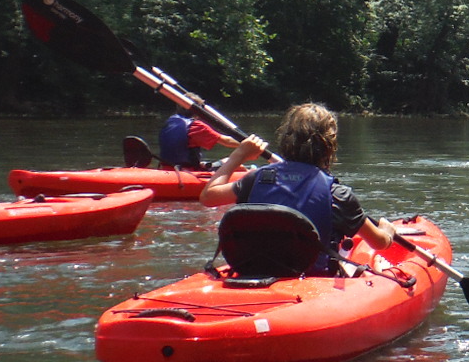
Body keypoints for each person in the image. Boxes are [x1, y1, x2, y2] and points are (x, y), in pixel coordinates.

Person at [199, 102, 393, 275]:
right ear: (329, 146)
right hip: (310, 278)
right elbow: (379, 243)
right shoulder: (337, 194)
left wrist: (239, 155)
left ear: (285, 138)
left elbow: (208, 197)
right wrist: (387, 231)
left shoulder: (256, 179)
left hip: (252, 268)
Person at [157, 107, 236, 168]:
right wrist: (247, 141)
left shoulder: (171, 121)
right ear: (199, 111)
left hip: (168, 167)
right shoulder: (196, 126)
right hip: (187, 171)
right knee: (235, 162)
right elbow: (227, 141)